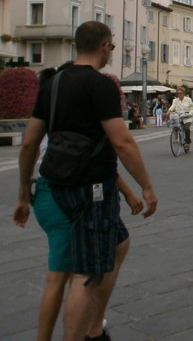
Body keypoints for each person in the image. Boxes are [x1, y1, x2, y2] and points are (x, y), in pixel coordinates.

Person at [13, 21, 157, 341]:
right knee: (86, 274)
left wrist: (23, 192)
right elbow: (122, 142)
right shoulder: (100, 84)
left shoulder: (53, 82)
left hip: (54, 181)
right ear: (105, 46)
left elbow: (28, 143)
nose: (111, 54)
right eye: (112, 48)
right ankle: (84, 334)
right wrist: (146, 185)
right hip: (91, 189)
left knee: (119, 242)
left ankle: (92, 327)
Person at [168, 86, 193, 151]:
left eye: (180, 93)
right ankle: (179, 140)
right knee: (175, 128)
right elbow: (172, 107)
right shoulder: (175, 100)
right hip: (178, 117)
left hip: (187, 117)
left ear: (184, 93)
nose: (179, 94)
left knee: (186, 128)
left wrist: (189, 114)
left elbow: (192, 108)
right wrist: (168, 111)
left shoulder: (188, 99)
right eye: (178, 93)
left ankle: (187, 141)